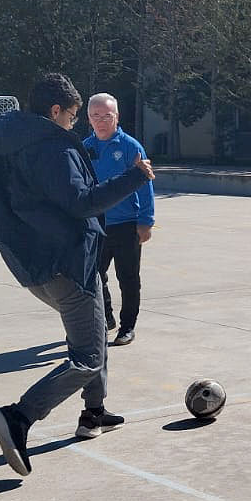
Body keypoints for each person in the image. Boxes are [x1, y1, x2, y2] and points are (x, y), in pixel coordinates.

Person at [0, 73, 155, 477]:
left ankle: (93, 413)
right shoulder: (53, 147)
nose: (75, 124)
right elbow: (82, 203)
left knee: (93, 332)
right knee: (88, 357)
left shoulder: (2, 138)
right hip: (67, 262)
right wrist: (136, 177)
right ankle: (18, 417)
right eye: (73, 115)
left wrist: (4, 222)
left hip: (35, 262)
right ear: (55, 110)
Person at [83, 93, 154, 347]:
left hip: (127, 225)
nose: (101, 121)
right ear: (89, 118)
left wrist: (146, 221)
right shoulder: (84, 147)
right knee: (93, 276)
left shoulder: (130, 147)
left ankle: (127, 327)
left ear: (117, 117)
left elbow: (145, 185)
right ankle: (107, 318)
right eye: (95, 116)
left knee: (128, 278)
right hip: (96, 225)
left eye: (107, 116)